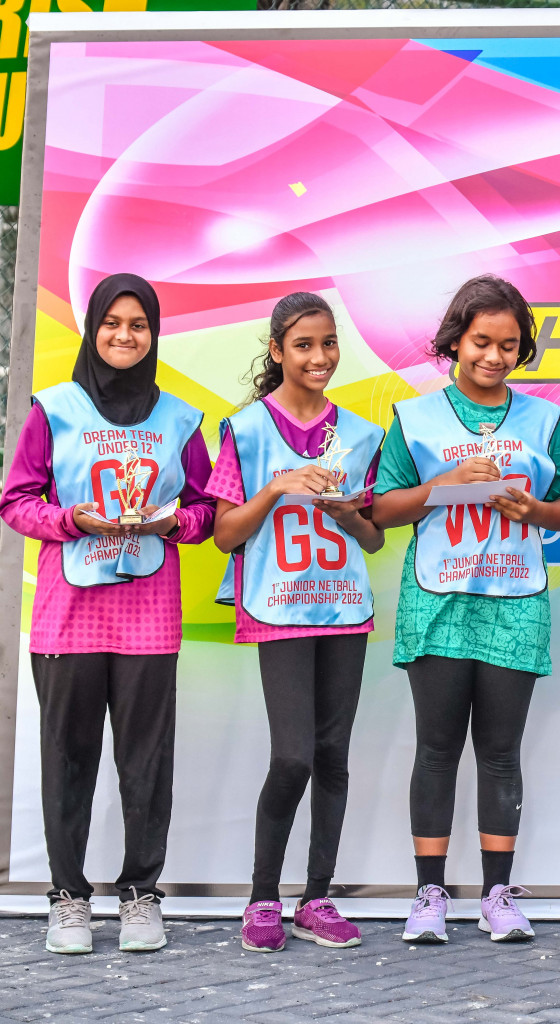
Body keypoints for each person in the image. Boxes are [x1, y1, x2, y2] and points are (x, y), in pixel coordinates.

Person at [0, 274, 213, 954]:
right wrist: (70, 520)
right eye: (113, 323)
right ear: (94, 329)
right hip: (69, 615)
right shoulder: (54, 409)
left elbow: (208, 509)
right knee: (68, 759)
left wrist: (171, 524)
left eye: (139, 325)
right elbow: (16, 500)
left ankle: (142, 895)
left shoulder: (179, 419)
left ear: (154, 335)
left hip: (150, 615)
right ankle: (68, 898)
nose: (125, 335)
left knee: (146, 761)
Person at [373, 275, 560, 945]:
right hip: (438, 600)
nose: (494, 356)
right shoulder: (415, 418)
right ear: (456, 342)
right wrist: (443, 487)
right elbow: (379, 508)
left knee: (500, 753)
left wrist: (535, 511)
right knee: (436, 750)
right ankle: (428, 894)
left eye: (509, 344)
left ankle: (498, 894)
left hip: (516, 599)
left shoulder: (543, 420)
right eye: (481, 342)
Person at [209, 293, 385, 953]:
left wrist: (348, 515)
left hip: (342, 604)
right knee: (292, 755)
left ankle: (316, 897)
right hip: (277, 603)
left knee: (333, 756)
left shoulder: (362, 435)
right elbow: (224, 535)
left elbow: (371, 540)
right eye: (304, 344)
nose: (319, 357)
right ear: (278, 350)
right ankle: (261, 900)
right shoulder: (247, 429)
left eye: (329, 343)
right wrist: (275, 488)